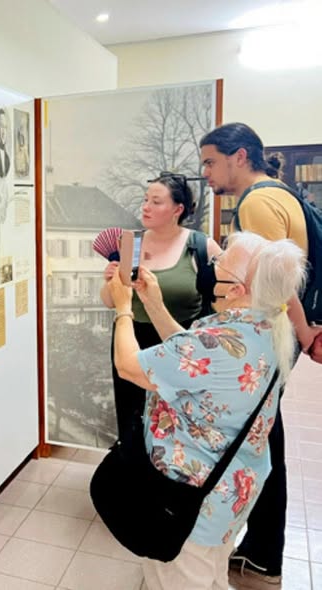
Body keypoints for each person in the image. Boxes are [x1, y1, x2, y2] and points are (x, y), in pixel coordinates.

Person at [107, 231, 306, 590]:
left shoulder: (218, 343)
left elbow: (128, 366)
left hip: (190, 503)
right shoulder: (263, 328)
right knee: (212, 577)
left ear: (236, 290)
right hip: (229, 491)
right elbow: (191, 360)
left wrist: (124, 308)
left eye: (221, 264)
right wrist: (154, 302)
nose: (213, 266)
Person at [200, 122, 322, 584]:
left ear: (240, 156)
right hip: (276, 336)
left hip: (266, 339)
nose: (206, 173)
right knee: (264, 439)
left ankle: (263, 553)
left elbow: (276, 280)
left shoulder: (256, 202)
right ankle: (260, 549)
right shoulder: (281, 193)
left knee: (261, 445)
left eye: (211, 162)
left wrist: (303, 333)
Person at [100, 172, 221, 439]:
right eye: (145, 200)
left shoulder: (201, 247)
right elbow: (109, 301)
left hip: (179, 340)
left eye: (156, 202)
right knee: (132, 418)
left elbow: (226, 297)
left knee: (178, 421)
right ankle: (132, 460)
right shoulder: (130, 243)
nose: (146, 207)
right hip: (132, 339)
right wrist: (110, 280)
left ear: (178, 209)